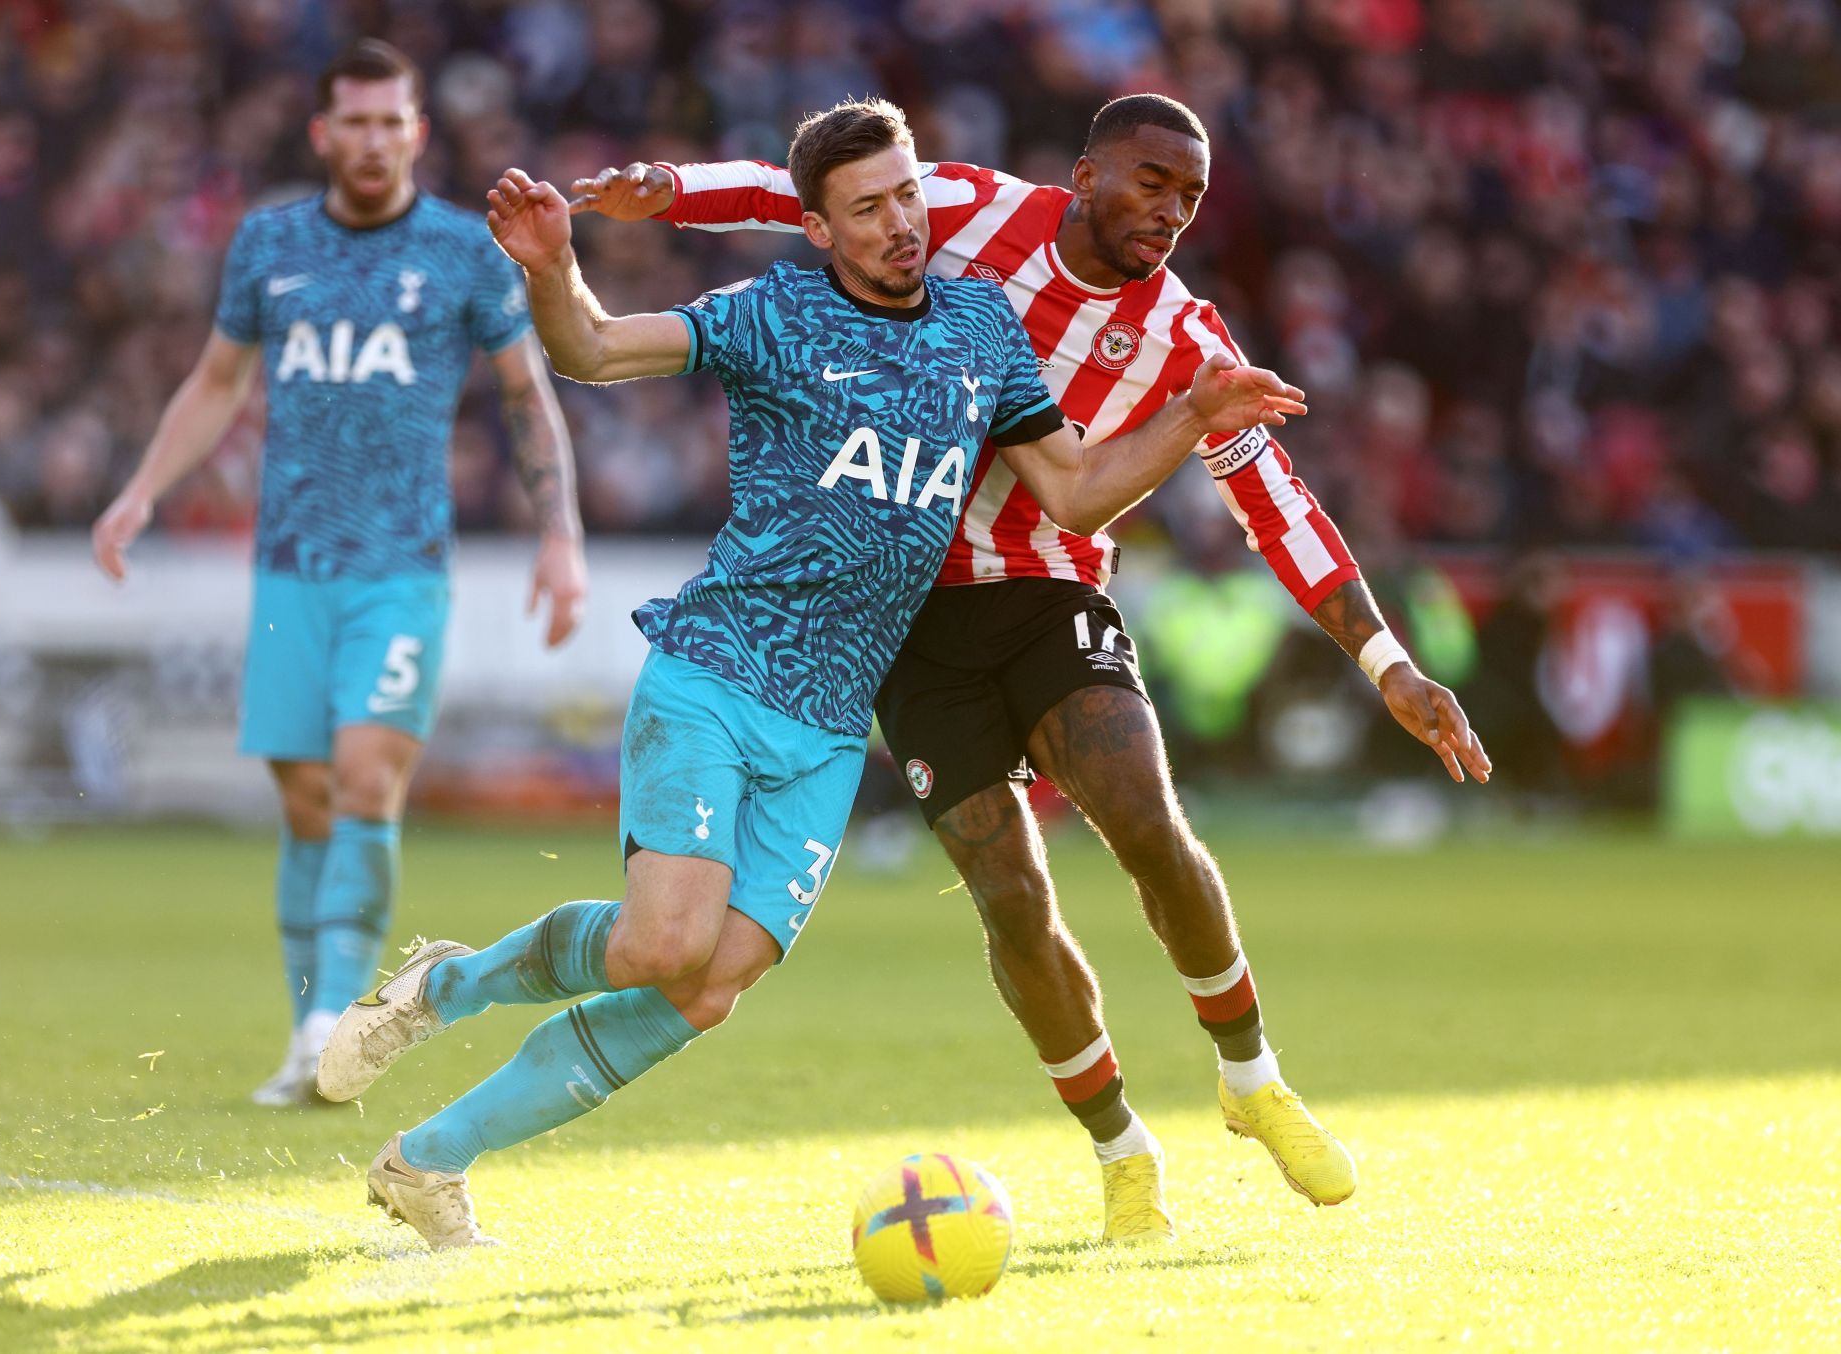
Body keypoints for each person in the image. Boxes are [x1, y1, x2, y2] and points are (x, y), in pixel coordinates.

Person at [314, 98, 1307, 1250]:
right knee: (661, 946)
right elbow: (591, 348)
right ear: (818, 228)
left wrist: (1191, 412)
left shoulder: (983, 324)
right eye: (868, 209)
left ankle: (427, 1162)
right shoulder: (772, 313)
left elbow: (1078, 493)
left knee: (709, 982)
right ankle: (447, 985)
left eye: (908, 197)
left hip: (835, 723)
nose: (901, 224)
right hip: (721, 670)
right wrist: (551, 268)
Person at [567, 93, 1491, 1234]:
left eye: (1192, 197)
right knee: (1010, 894)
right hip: (908, 617)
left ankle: (1251, 1079)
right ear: (1087, 173)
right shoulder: (961, 208)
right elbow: (790, 190)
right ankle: (1120, 1146)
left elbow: (1275, 501)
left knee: (1143, 814)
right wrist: (667, 188)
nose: (1171, 211)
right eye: (1152, 182)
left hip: (1053, 587)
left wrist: (1388, 661)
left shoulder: (1190, 343)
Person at [89, 40, 588, 1107]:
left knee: (365, 777)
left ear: (417, 131)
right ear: (324, 134)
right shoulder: (270, 244)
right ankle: (309, 1021)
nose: (371, 140)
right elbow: (216, 381)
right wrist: (140, 491)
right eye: (352, 122)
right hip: (290, 570)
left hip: (401, 568)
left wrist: (561, 535)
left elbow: (523, 394)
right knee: (306, 796)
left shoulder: (462, 252)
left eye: (389, 122)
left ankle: (334, 1031)